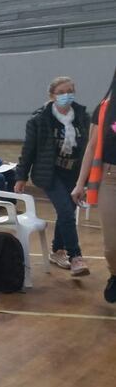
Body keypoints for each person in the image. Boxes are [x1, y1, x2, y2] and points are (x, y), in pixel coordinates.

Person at [16, 76, 90, 276]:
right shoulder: (39, 119)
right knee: (66, 212)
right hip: (50, 172)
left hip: (74, 172)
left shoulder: (82, 116)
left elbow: (88, 148)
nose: (67, 95)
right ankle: (75, 257)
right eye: (61, 92)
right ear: (52, 95)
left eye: (70, 90)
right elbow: (28, 149)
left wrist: (88, 178)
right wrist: (21, 176)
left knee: (66, 212)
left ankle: (57, 250)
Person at [73, 68, 116, 302]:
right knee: (112, 245)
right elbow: (91, 146)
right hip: (111, 178)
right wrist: (81, 183)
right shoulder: (105, 107)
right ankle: (114, 273)